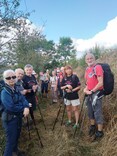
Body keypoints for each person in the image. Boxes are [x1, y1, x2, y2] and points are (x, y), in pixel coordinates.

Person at [1, 69, 30, 156]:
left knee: (17, 137)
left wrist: (26, 106)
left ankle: (15, 152)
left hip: (17, 117)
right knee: (10, 141)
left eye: (13, 77)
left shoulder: (15, 88)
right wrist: (24, 108)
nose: (11, 79)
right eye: (8, 78)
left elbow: (23, 99)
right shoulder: (4, 92)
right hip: (10, 120)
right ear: (5, 79)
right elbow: (11, 107)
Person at [84, 53, 104, 140]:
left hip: (97, 93)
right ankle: (92, 127)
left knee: (97, 112)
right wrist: (85, 90)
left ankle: (100, 132)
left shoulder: (97, 67)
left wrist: (92, 91)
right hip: (89, 93)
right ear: (85, 60)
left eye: (91, 58)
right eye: (87, 59)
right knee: (90, 111)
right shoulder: (87, 69)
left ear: (94, 59)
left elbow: (101, 83)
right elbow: (87, 83)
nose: (89, 60)